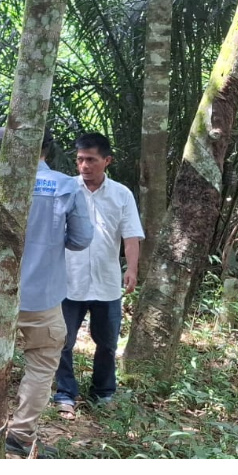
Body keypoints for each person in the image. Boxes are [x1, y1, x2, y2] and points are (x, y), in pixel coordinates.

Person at [0, 127, 94, 458]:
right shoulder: (66, 186)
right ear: (47, 150)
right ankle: (21, 435)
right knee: (41, 363)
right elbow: (81, 239)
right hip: (43, 298)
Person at [53, 133, 144, 414]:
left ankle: (103, 393)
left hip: (106, 282)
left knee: (106, 343)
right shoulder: (66, 189)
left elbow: (130, 236)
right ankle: (65, 394)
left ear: (107, 161)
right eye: (80, 159)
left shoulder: (121, 194)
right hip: (69, 279)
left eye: (91, 160)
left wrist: (131, 269)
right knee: (62, 341)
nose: (84, 166)